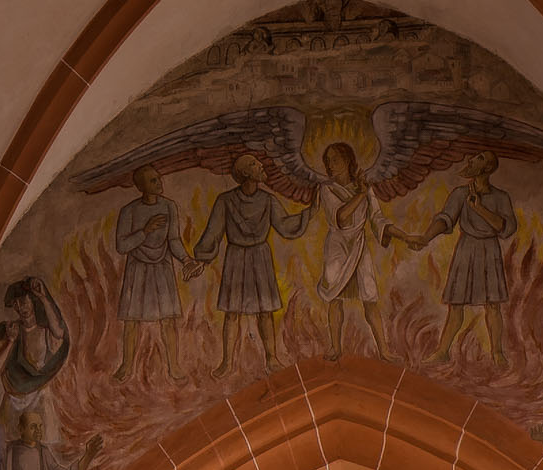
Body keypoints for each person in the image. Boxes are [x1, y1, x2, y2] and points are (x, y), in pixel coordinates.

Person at [185, 150, 309, 373]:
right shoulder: (226, 200)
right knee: (232, 312)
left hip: (260, 257)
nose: (261, 166)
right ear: (244, 173)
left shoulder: (268, 200)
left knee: (265, 311)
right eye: (255, 164)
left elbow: (285, 225)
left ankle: (271, 358)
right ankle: (227, 362)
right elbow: (213, 232)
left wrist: (309, 214)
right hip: (236, 257)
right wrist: (201, 259)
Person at [408, 153, 516, 370]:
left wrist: (478, 208)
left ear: (486, 168)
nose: (470, 162)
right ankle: (442, 351)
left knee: (493, 305)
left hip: (489, 250)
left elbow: (506, 228)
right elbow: (445, 218)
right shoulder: (460, 193)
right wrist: (426, 238)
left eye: (477, 159)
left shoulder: (501, 197)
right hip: (466, 250)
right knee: (456, 305)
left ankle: (497, 352)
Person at [312, 140, 396, 359]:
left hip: (359, 245)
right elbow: (340, 217)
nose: (330, 165)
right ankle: (336, 348)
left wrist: (397, 233)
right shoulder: (327, 188)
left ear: (348, 161)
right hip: (338, 246)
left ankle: (384, 350)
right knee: (334, 296)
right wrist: (360, 193)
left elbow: (377, 217)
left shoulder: (365, 188)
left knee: (369, 297)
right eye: (327, 161)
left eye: (335, 160)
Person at [112, 167, 185, 383]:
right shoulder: (129, 211)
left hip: (162, 267)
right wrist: (145, 230)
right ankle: (126, 366)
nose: (159, 182)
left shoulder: (169, 206)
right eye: (153, 180)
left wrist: (186, 260)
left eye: (158, 178)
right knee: (132, 321)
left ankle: (174, 366)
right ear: (141, 186)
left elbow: (174, 240)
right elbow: (122, 245)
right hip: (138, 269)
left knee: (168, 320)